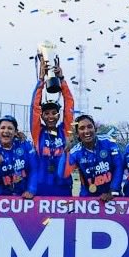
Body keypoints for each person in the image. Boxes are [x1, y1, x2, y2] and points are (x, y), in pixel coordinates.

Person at [30, 61, 74, 196]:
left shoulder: (65, 131)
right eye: (47, 113)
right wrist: (41, 81)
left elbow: (69, 105)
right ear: (42, 116)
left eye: (54, 113)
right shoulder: (38, 132)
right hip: (41, 187)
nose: (51, 116)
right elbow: (34, 107)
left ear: (58, 115)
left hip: (63, 187)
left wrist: (62, 80)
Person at [60, 114, 122, 201]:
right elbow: (62, 174)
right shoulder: (75, 152)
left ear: (95, 129)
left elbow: (118, 166)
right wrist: (66, 152)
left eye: (89, 127)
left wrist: (113, 191)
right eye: (82, 128)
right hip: (88, 199)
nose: (87, 131)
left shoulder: (108, 142)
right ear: (77, 134)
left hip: (112, 197)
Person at [0, 115, 39, 198]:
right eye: (2, 128)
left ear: (16, 132)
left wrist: (31, 190)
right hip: (1, 200)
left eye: (10, 128)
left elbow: (34, 169)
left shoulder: (25, 145)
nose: (6, 131)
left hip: (25, 198)